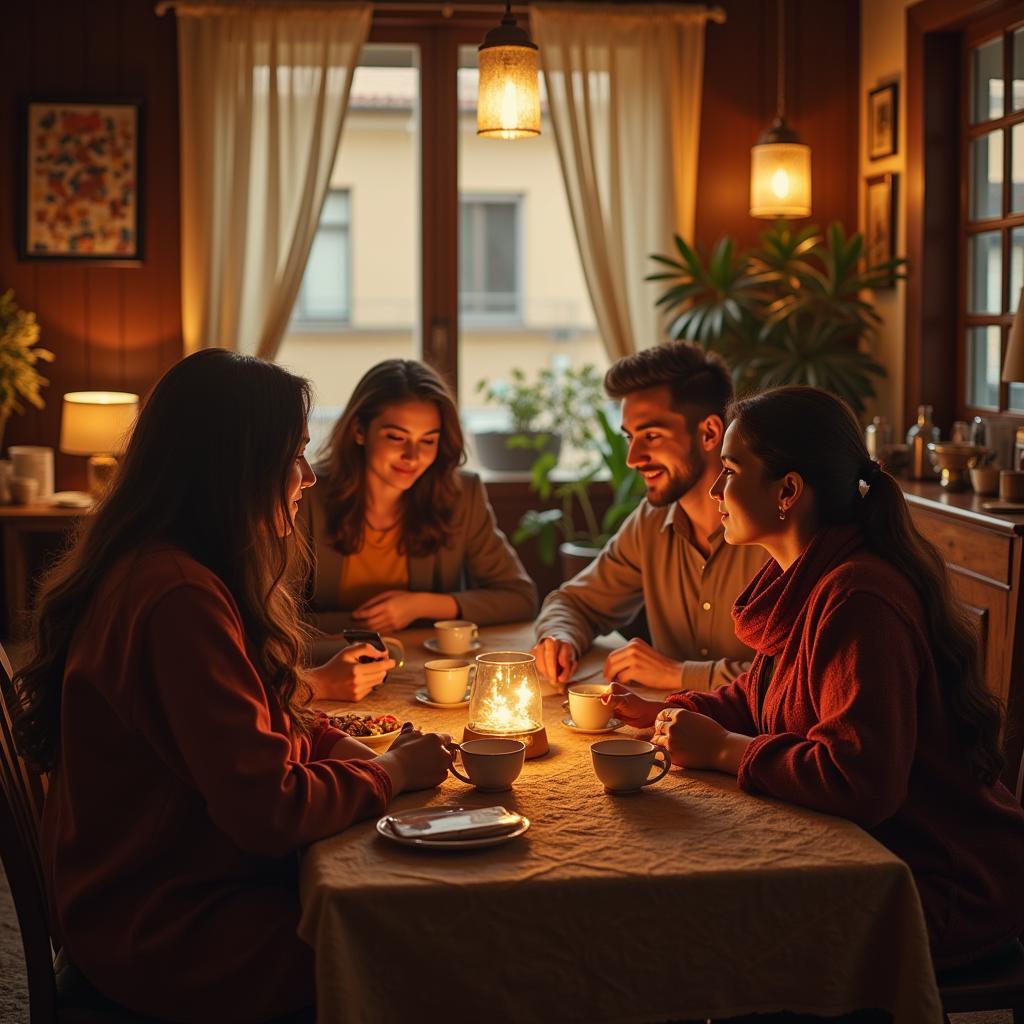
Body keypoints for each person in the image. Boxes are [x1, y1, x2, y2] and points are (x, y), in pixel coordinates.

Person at [12, 349, 453, 1022]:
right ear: (232, 467)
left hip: (144, 888)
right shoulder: (178, 599)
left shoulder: (163, 565)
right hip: (164, 927)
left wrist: (353, 752)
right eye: (293, 455)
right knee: (423, 952)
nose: (306, 477)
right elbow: (269, 812)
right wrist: (391, 771)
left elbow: (264, 718)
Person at [607, 385, 1024, 969]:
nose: (716, 490)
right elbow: (761, 696)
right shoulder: (807, 578)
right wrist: (669, 712)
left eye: (730, 471)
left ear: (788, 491)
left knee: (712, 935)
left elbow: (861, 780)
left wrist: (725, 749)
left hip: (934, 880)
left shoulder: (856, 598)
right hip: (873, 855)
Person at [532, 341, 766, 690]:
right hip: (662, 732)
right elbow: (574, 602)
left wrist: (677, 674)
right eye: (630, 437)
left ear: (710, 433)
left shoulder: (775, 525)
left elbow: (797, 675)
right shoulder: (651, 522)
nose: (633, 457)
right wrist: (560, 637)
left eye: (651, 435)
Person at [301, 359, 536, 696]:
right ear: (359, 431)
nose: (412, 456)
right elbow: (272, 623)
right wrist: (362, 624)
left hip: (428, 681)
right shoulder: (305, 495)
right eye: (396, 437)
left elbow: (520, 597)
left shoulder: (459, 495)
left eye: (428, 441)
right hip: (329, 676)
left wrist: (420, 605)